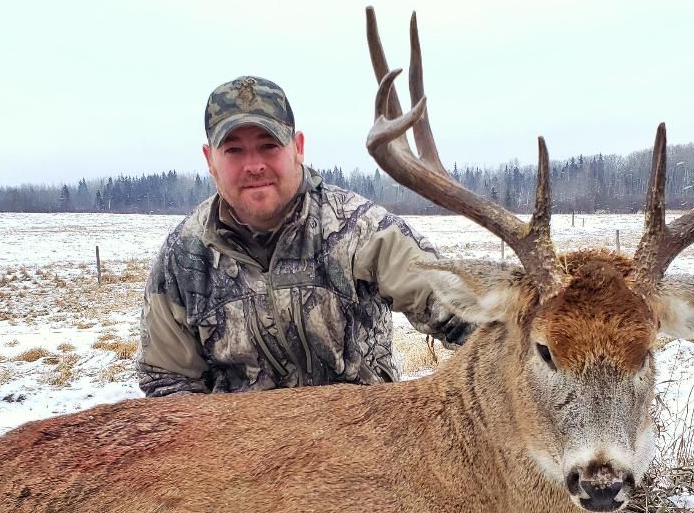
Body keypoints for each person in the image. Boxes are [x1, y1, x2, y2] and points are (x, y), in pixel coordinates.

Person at [135, 75, 472, 397]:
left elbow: (459, 310)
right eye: (234, 150)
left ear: (298, 147)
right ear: (210, 160)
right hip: (243, 445)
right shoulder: (184, 255)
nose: (253, 166)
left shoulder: (359, 228)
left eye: (269, 146)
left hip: (363, 437)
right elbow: (167, 382)